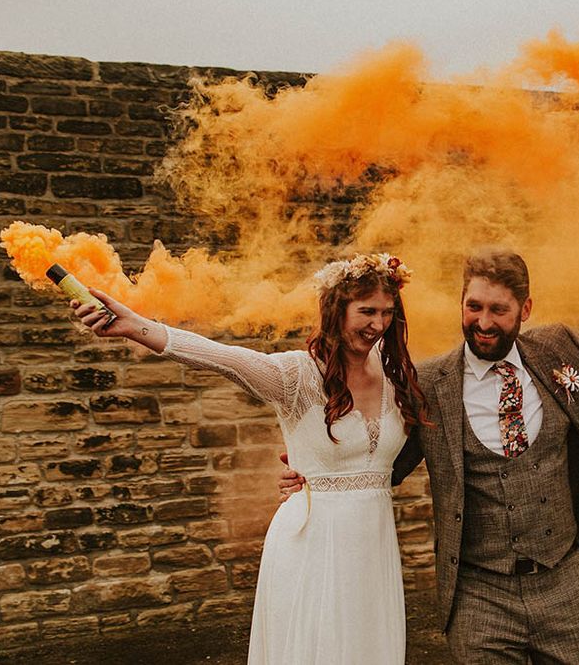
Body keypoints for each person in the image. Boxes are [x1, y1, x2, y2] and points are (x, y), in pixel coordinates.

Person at [280, 247, 579, 664]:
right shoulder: (430, 383)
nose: (484, 322)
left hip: (564, 589)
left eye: (498, 310)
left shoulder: (559, 350)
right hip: (479, 599)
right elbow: (381, 463)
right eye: (473, 307)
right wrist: (315, 473)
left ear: (525, 309)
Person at [69, 253, 428, 665]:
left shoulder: (395, 374)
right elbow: (221, 358)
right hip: (313, 539)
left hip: (373, 543)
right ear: (336, 310)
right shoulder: (296, 376)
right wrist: (135, 327)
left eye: (386, 313)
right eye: (366, 311)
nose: (377, 324)